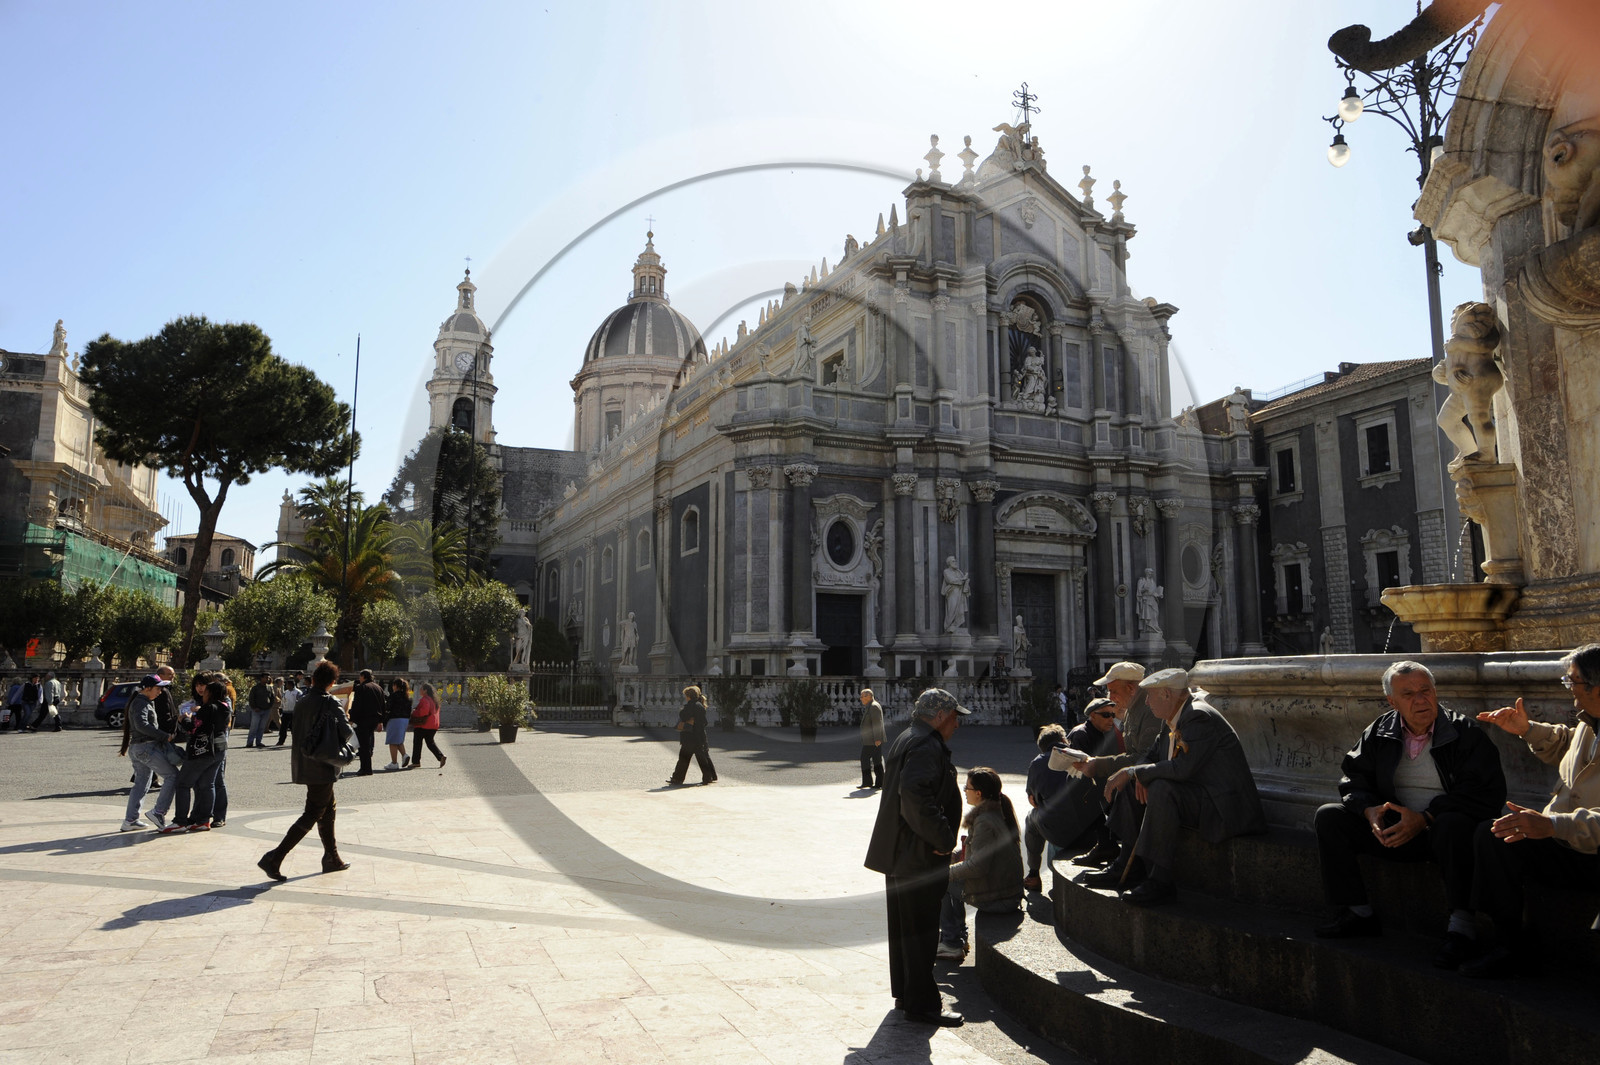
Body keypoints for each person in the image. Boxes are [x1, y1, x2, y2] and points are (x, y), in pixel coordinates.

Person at [1312, 660, 1506, 969]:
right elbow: (1353, 777)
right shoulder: (1380, 730)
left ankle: (1462, 928)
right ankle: (1358, 913)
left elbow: (1483, 794)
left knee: (1453, 824)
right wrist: (1368, 809)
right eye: (1408, 694)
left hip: (1443, 834)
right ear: (1392, 701)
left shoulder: (1465, 732)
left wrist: (1426, 818)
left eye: (1425, 691)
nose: (1420, 700)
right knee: (1330, 817)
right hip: (1397, 828)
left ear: (1435, 692)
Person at [1463, 643, 1600, 978]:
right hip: (1568, 843)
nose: (1570, 691)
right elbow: (1571, 745)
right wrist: (1526, 728)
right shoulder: (1589, 720)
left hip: (1592, 848)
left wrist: (1553, 824)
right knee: (1493, 834)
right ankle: (1508, 944)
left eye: (1574, 683)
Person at [1084, 668, 1266, 906]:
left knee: (1159, 787)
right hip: (1198, 794)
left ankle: (1160, 881)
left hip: (1223, 806)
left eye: (1150, 696)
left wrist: (1134, 772)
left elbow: (1183, 768)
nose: (1147, 702)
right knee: (1134, 782)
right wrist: (1135, 774)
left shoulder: (1198, 716)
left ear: (1167, 695)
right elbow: (1150, 757)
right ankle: (1127, 864)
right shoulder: (1171, 718)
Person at [863, 688, 969, 1028]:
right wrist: (942, 837)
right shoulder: (925, 744)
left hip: (900, 853)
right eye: (954, 718)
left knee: (905, 930)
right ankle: (922, 1004)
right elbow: (914, 794)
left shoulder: (908, 737)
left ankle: (908, 994)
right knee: (922, 931)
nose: (957, 725)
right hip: (918, 855)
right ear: (938, 716)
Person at [257, 660, 351, 881]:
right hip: (324, 763)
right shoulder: (331, 702)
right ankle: (275, 857)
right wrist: (345, 712)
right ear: (332, 682)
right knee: (313, 812)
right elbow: (345, 732)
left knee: (328, 809)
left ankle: (331, 856)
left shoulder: (302, 700)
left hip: (305, 760)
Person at [1071, 662, 1160, 870]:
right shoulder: (1132, 709)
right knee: (1082, 783)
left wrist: (1100, 765)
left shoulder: (1147, 709)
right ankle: (1106, 843)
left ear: (1131, 689)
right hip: (1141, 771)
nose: (1110, 698)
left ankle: (1125, 859)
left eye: (1113, 691)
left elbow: (1143, 756)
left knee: (1122, 786)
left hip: (1149, 777)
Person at [1025, 700, 1123, 890]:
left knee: (1033, 818)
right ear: (1065, 741)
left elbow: (1034, 801)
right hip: (1091, 828)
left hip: (1070, 829)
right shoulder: (1080, 743)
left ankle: (1033, 874)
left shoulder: (1037, 763)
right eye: (1106, 715)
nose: (1112, 718)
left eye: (1113, 714)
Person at [937, 766, 1024, 960]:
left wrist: (944, 872)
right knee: (950, 877)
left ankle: (952, 941)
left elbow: (977, 867)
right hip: (1007, 890)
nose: (964, 791)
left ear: (978, 793)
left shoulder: (985, 820)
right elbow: (979, 850)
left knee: (940, 882)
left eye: (966, 788)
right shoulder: (996, 811)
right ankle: (956, 936)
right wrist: (953, 855)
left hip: (1001, 898)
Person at [118, 674, 182, 832]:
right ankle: (158, 812)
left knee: (142, 783)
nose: (160, 691)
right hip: (146, 747)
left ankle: (131, 819)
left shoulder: (141, 701)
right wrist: (164, 736)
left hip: (139, 748)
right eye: (158, 688)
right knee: (172, 776)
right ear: (147, 689)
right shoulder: (141, 703)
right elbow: (142, 725)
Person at [170, 679, 230, 832]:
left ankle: (180, 821)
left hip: (202, 750)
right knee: (207, 784)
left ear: (210, 693)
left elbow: (193, 729)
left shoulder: (206, 708)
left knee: (183, 784)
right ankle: (204, 820)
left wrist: (185, 718)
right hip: (219, 748)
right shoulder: (225, 707)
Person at [667, 686, 716, 786]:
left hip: (689, 737)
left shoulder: (690, 706)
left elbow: (683, 716)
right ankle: (708, 777)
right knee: (702, 758)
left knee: (683, 759)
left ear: (688, 696)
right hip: (699, 736)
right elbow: (704, 722)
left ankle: (677, 778)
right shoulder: (700, 706)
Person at [349, 669, 386, 775]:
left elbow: (357, 705)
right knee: (367, 743)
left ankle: (365, 768)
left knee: (363, 745)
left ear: (363, 677)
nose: (359, 679)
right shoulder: (378, 688)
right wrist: (381, 721)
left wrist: (352, 718)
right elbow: (383, 705)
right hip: (374, 719)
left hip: (363, 719)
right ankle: (367, 767)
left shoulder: (362, 688)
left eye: (360, 676)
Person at [410, 682, 446, 768]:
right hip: (433, 725)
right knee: (430, 742)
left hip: (423, 725)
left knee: (417, 743)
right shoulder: (434, 700)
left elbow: (424, 712)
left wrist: (414, 712)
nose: (420, 690)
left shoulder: (424, 700)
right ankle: (440, 756)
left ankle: (416, 761)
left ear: (425, 690)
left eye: (421, 689)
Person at [383, 678, 412, 770]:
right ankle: (404, 755)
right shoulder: (407, 697)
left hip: (395, 719)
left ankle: (394, 762)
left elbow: (388, 707)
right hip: (405, 720)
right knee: (398, 740)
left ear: (395, 686)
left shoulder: (394, 695)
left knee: (392, 742)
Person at [859, 688, 885, 790]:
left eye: (862, 696)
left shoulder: (873, 707)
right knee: (876, 760)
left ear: (868, 696)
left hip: (872, 739)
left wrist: (877, 738)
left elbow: (876, 723)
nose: (861, 699)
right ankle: (880, 782)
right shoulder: (870, 706)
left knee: (864, 759)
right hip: (872, 739)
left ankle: (868, 782)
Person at [245, 673, 275, 748]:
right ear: (261, 678)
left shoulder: (269, 688)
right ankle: (250, 742)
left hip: (266, 710)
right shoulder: (255, 688)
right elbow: (251, 698)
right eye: (265, 677)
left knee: (262, 727)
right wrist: (254, 707)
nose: (267, 679)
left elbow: (272, 698)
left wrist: (270, 706)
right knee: (254, 727)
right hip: (257, 710)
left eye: (268, 678)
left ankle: (259, 741)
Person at [276, 673, 303, 747]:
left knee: (294, 729)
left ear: (291, 685)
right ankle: (281, 741)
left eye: (287, 684)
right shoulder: (285, 693)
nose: (286, 686)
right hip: (285, 712)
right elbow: (283, 701)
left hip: (294, 713)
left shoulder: (298, 692)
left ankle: (296, 742)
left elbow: (300, 703)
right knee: (283, 728)